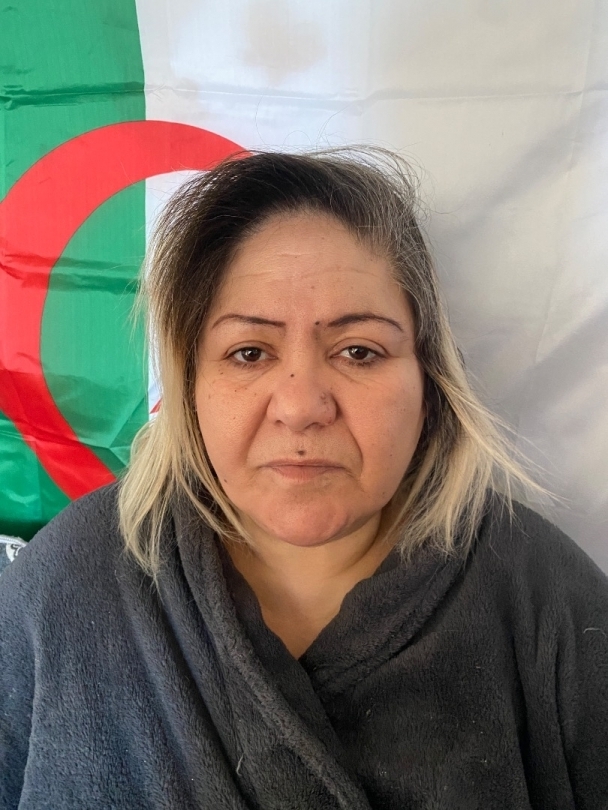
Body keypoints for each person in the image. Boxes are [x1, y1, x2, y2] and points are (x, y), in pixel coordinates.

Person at [1, 148, 607, 810]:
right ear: (190, 384)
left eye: (359, 352)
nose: (301, 406)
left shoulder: (549, 602)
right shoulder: (67, 581)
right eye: (249, 352)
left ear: (430, 383)